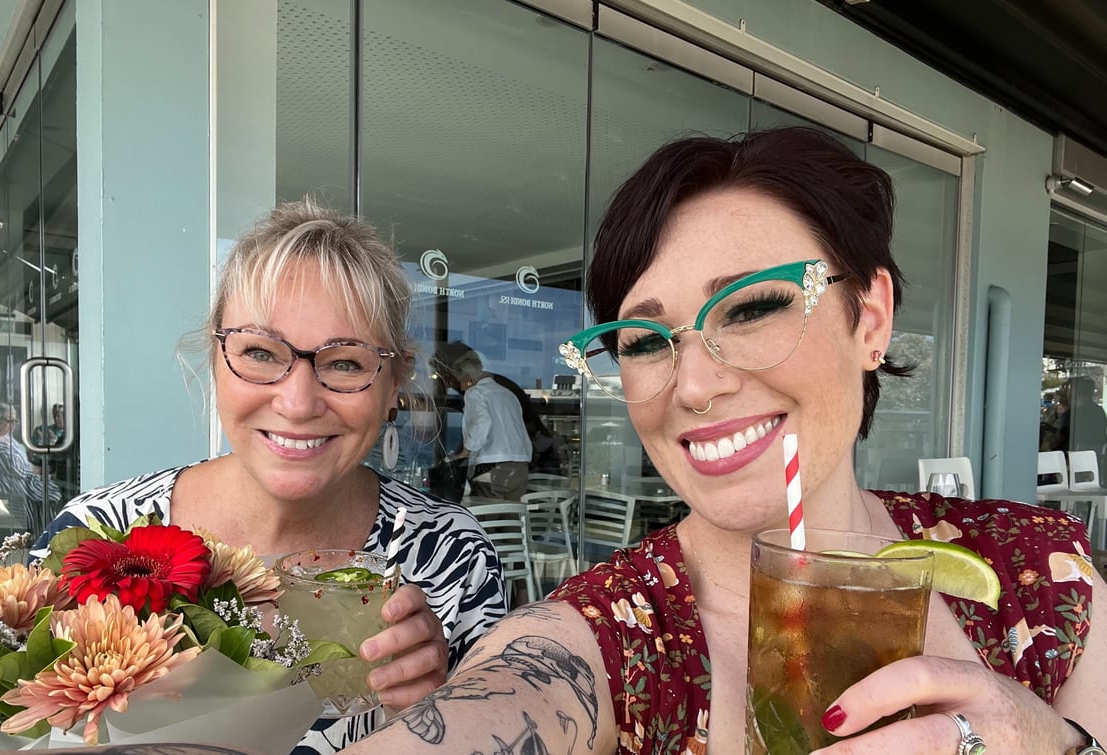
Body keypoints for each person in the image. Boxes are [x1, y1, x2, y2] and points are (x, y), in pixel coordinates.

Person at [345, 128, 1106, 753]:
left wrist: (1057, 743)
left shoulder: (1040, 574)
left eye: (749, 308)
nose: (695, 385)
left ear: (870, 319)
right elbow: (497, 704)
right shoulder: (608, 634)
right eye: (644, 340)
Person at [31, 199, 509, 753]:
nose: (299, 401)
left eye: (347, 362)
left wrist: (443, 717)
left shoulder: (452, 559)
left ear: (394, 382)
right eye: (259, 351)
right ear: (215, 356)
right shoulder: (95, 533)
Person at [430, 342, 533, 500]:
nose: (461, 388)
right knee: (511, 519)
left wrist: (466, 452)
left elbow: (482, 423)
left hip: (492, 467)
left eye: (460, 382)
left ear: (469, 379)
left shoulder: (474, 393)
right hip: (520, 465)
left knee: (486, 520)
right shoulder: (508, 394)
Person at [0, 402, 64, 532]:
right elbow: (17, 469)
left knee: (55, 488)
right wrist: (41, 471)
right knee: (52, 493)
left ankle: (46, 528)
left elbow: (24, 462)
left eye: (15, 421)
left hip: (24, 477)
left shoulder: (6, 437)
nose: (14, 425)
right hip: (10, 482)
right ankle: (44, 530)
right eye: (10, 420)